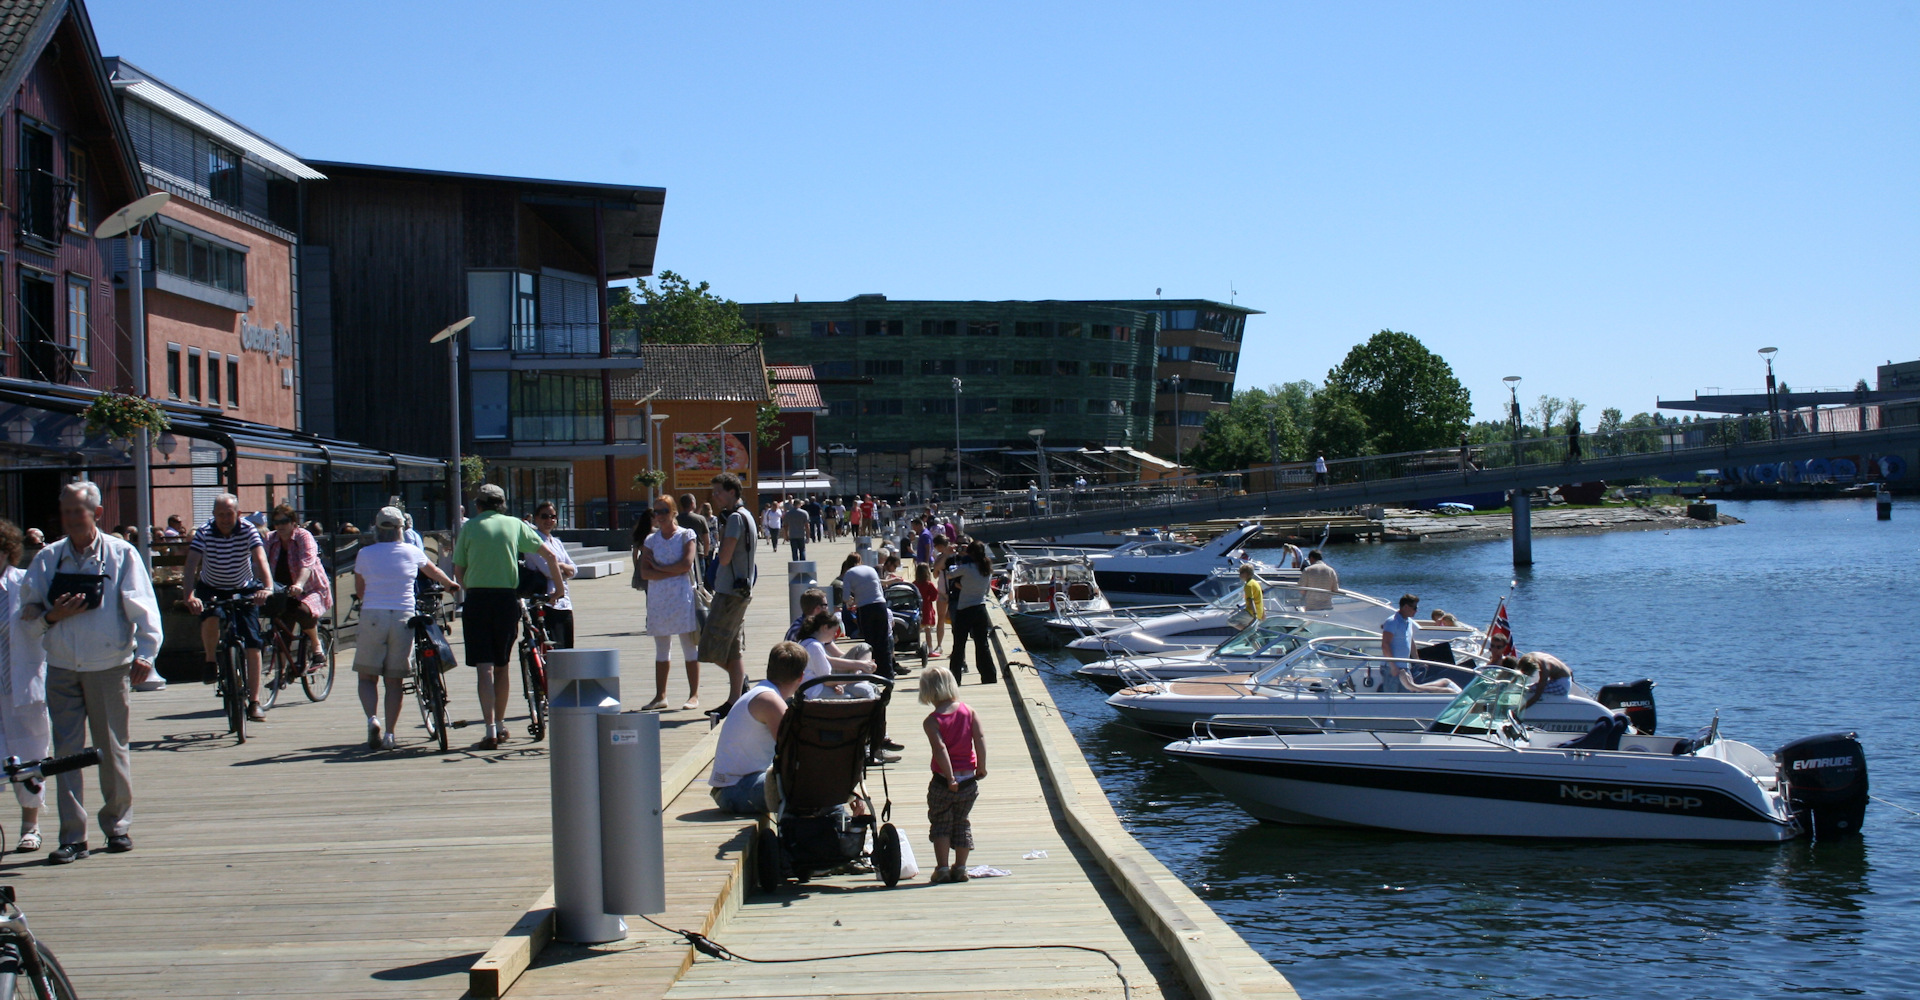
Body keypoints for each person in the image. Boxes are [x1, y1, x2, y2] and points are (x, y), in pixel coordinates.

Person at [21, 481, 162, 863]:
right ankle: (73, 837)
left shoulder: (121, 554)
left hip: (108, 666)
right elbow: (28, 615)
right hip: (63, 666)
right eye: (65, 512)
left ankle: (117, 826)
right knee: (65, 754)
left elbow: (143, 608)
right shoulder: (48, 558)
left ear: (97, 514)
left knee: (112, 748)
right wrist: (53, 615)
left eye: (77, 512)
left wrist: (146, 655)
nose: (69, 519)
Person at [452, 483, 564, 750]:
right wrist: (558, 588)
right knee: (503, 665)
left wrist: (472, 589)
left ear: (478, 505)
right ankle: (501, 723)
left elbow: (459, 571)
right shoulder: (515, 524)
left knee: (484, 667)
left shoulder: (469, 527)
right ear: (502, 503)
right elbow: (549, 555)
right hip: (506, 598)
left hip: (478, 599)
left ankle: (490, 728)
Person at [353, 507, 458, 750]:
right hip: (403, 615)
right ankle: (390, 734)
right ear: (402, 529)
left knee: (367, 677)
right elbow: (434, 571)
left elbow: (361, 591)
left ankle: (372, 719)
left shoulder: (365, 554)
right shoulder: (412, 551)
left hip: (373, 615)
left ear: (377, 529)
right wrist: (451, 585)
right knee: (394, 681)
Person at [183, 494, 273, 722]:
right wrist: (189, 594)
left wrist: (267, 587)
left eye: (229, 514)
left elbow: (260, 558)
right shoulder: (204, 532)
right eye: (220, 514)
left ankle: (254, 701)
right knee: (210, 617)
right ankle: (211, 660)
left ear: (238, 514)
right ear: (214, 515)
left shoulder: (248, 530)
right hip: (211, 586)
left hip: (243, 586)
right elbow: (192, 562)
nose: (224, 519)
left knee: (253, 643)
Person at [708, 642, 808, 815]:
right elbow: (793, 749)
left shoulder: (762, 692)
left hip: (735, 785)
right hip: (735, 789)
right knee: (809, 787)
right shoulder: (770, 701)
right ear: (801, 677)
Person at [0, 519, 50, 852]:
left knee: (31, 756)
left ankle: (30, 827)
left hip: (20, 684)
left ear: (7, 552)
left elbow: (46, 621)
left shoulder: (24, 584)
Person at [919, 665, 985, 884]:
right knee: (962, 821)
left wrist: (949, 777)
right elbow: (980, 739)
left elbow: (940, 750)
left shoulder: (932, 721)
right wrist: (981, 766)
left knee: (941, 822)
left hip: (944, 782)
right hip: (969, 780)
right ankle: (962, 868)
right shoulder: (969, 711)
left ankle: (943, 868)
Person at [697, 473, 754, 707]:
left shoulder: (734, 520)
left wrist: (720, 541)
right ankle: (735, 698)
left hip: (729, 592)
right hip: (741, 590)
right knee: (733, 648)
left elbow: (724, 557)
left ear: (732, 491)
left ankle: (740, 683)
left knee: (709, 647)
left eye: (719, 491)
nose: (715, 495)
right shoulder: (747, 515)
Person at [640, 499, 701, 712]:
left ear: (673, 511)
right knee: (661, 649)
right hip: (658, 598)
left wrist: (658, 567)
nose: (660, 515)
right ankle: (660, 696)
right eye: (656, 512)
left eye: (664, 511)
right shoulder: (650, 540)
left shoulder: (686, 535)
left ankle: (693, 694)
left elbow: (686, 565)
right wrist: (668, 570)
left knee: (688, 646)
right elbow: (644, 572)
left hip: (681, 596)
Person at [263, 504, 332, 673]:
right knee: (280, 625)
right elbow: (260, 562)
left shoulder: (303, 536)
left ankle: (317, 648)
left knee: (302, 611)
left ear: (293, 522)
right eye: (276, 522)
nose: (279, 526)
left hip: (311, 588)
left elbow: (307, 563)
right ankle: (282, 671)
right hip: (282, 592)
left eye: (284, 521)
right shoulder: (270, 539)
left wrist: (299, 584)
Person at [1378, 594, 1457, 694]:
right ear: (1406, 607)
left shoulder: (1408, 622)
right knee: (1392, 696)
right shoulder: (1392, 622)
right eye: (1414, 608)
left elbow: (1410, 641)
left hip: (1404, 667)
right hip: (1392, 667)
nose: (1416, 611)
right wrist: (1393, 666)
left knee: (1406, 696)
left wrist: (1417, 661)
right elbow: (1385, 644)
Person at [525, 502, 578, 649]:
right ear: (536, 518)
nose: (549, 520)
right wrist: (562, 569)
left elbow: (574, 570)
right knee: (549, 649)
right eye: (544, 516)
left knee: (567, 648)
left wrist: (559, 567)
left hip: (564, 603)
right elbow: (548, 571)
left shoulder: (556, 542)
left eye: (553, 516)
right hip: (546, 601)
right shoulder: (534, 542)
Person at [946, 541, 996, 683]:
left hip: (964, 609)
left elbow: (950, 574)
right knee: (982, 644)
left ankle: (955, 678)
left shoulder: (966, 568)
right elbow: (986, 591)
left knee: (959, 645)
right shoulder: (987, 569)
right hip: (980, 609)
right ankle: (989, 676)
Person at [914, 562, 940, 656]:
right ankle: (930, 650)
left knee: (917, 631)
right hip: (926, 608)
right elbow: (934, 596)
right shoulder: (929, 584)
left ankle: (917, 648)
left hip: (917, 608)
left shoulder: (914, 584)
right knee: (927, 630)